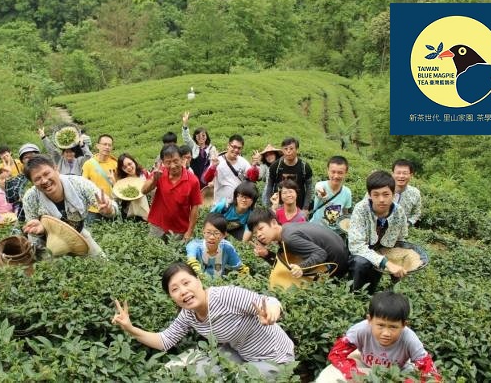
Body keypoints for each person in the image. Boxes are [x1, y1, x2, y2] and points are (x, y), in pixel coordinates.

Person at [111, 262, 295, 378]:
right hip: (241, 353)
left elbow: (269, 301)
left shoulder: (225, 296)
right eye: (174, 289)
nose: (182, 291)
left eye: (186, 283)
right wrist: (129, 328)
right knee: (194, 372)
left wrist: (271, 312)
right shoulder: (188, 314)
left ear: (198, 280)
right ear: (171, 297)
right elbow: (164, 341)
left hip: (275, 358)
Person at [316, 291, 441, 382]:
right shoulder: (360, 330)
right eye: (380, 325)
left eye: (393, 327)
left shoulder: (410, 338)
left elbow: (429, 370)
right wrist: (352, 373)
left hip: (399, 371)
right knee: (329, 376)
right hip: (365, 365)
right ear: (369, 320)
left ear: (404, 325)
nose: (386, 333)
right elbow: (336, 354)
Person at [21, 155, 118, 257]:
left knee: (101, 261)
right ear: (32, 182)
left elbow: (113, 208)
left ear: (55, 169)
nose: (44, 181)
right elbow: (32, 231)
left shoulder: (80, 184)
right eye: (37, 179)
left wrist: (109, 210)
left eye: (46, 173)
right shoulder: (30, 198)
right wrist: (40, 231)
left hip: (78, 234)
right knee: (49, 269)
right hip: (47, 241)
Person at [348, 171, 409, 294]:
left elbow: (401, 238)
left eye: (386, 194)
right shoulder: (361, 209)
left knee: (373, 285)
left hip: (384, 251)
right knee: (360, 263)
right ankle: (352, 295)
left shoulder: (399, 212)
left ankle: (372, 294)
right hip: (362, 253)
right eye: (376, 195)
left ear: (393, 194)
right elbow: (356, 246)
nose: (381, 200)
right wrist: (385, 262)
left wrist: (395, 261)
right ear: (369, 195)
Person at [248, 208, 349, 279]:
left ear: (274, 223)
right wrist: (266, 255)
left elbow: (320, 254)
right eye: (255, 233)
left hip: (336, 266)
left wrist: (301, 267)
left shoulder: (289, 238)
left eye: (261, 229)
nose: (259, 235)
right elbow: (286, 263)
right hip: (340, 255)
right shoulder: (285, 229)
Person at [142, 145, 202, 242]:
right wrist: (154, 180)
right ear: (163, 162)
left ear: (182, 159)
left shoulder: (193, 180)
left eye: (175, 161)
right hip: (157, 225)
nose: (173, 166)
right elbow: (143, 191)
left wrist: (190, 231)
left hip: (179, 229)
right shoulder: (159, 173)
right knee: (152, 251)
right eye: (168, 162)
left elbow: (195, 207)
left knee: (175, 254)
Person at [202, 134, 258, 203]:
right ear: (228, 145)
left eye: (239, 148)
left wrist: (254, 166)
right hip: (220, 204)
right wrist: (213, 166)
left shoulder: (243, 162)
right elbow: (206, 179)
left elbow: (252, 179)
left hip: (237, 204)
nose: (236, 150)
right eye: (234, 147)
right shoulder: (217, 160)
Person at [263, 138, 313, 214]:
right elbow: (270, 186)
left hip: (298, 207)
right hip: (279, 206)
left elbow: (309, 188)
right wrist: (270, 206)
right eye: (285, 149)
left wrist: (305, 208)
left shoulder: (305, 167)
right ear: (282, 150)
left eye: (291, 148)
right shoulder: (275, 166)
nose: (288, 151)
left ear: (297, 150)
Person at [309, 156, 353, 232]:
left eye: (340, 173)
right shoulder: (321, 185)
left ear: (346, 173)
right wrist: (322, 194)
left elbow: (345, 212)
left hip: (334, 232)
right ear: (328, 171)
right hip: (315, 228)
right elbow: (318, 188)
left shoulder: (347, 192)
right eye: (333, 172)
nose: (336, 176)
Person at [81, 134, 118, 222]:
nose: (107, 147)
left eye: (109, 145)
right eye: (104, 144)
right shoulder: (89, 164)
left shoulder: (115, 163)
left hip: (110, 207)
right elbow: (83, 186)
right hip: (93, 209)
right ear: (98, 146)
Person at [181, 111, 218, 187]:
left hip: (206, 177)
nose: (201, 138)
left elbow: (213, 164)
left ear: (206, 136)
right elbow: (186, 137)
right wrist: (185, 123)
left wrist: (213, 179)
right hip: (194, 174)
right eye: (198, 136)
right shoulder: (193, 146)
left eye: (203, 135)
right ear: (195, 137)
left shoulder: (211, 148)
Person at [115, 153, 151, 221]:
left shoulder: (144, 174)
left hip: (148, 205)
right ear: (122, 169)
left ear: (134, 162)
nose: (128, 168)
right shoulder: (123, 181)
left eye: (130, 164)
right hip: (131, 212)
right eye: (124, 167)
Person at [392, 159, 422, 227]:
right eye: (398, 173)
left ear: (411, 175)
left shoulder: (415, 193)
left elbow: (416, 213)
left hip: (401, 234)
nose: (401, 176)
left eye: (405, 173)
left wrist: (408, 224)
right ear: (393, 174)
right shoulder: (381, 188)